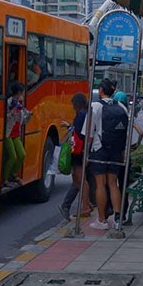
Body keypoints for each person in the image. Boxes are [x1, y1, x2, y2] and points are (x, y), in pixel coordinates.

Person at [87, 80, 128, 230]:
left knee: (100, 184)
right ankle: (117, 219)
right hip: (116, 150)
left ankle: (101, 220)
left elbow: (88, 134)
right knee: (113, 183)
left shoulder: (95, 106)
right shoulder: (122, 106)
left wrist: (86, 153)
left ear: (101, 90)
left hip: (100, 150)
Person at [59, 92, 93, 221]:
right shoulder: (85, 114)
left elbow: (79, 132)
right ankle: (87, 203)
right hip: (81, 149)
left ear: (77, 104)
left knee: (80, 178)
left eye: (73, 104)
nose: (72, 107)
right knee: (77, 178)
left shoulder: (81, 115)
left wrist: (69, 127)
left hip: (79, 150)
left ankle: (85, 207)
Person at [3, 82, 28, 189]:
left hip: (16, 132)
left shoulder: (19, 103)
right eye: (22, 93)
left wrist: (27, 115)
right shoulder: (9, 102)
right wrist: (11, 113)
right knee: (13, 156)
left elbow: (21, 117)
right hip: (8, 133)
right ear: (18, 93)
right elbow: (4, 117)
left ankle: (13, 174)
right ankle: (6, 179)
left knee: (22, 154)